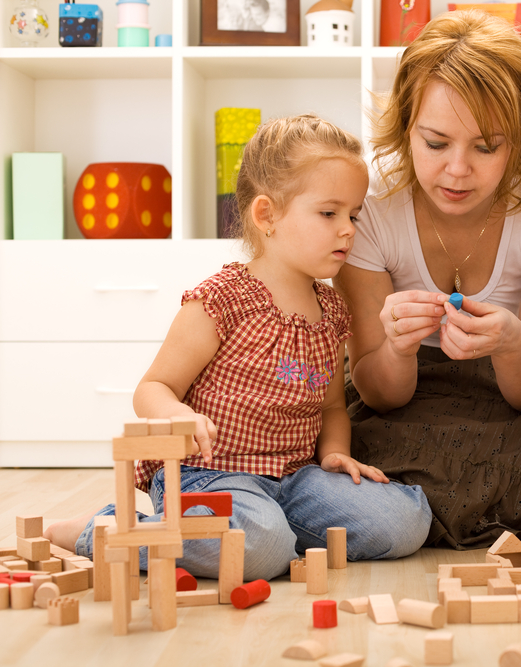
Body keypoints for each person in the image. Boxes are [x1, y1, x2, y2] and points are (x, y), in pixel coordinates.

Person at [46, 114, 432, 580]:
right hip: (208, 477)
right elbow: (153, 387)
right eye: (329, 214)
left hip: (293, 479)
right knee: (258, 547)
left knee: (406, 521)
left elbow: (332, 406)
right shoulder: (222, 299)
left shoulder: (332, 312)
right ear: (267, 215)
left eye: (354, 215)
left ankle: (268, 533)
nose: (348, 229)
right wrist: (177, 415)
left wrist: (332, 454)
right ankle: (104, 531)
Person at [336, 10, 521, 549]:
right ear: (407, 128)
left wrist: (513, 341)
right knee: (361, 454)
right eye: (435, 143)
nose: (457, 170)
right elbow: (378, 393)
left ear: (518, 142)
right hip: (401, 403)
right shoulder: (372, 208)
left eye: (486, 147)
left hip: (507, 401)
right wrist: (399, 350)